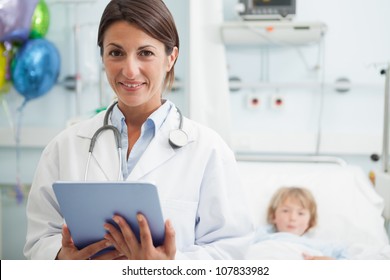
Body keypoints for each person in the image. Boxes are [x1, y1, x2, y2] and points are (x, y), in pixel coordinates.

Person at [24, 0, 253, 260]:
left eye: (145, 53)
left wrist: (171, 267)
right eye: (116, 53)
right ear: (102, 58)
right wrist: (59, 259)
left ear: (171, 58)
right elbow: (39, 239)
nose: (130, 70)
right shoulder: (64, 146)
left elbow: (231, 251)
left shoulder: (208, 149)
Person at [248, 186, 348, 260]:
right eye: (285, 211)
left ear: (310, 221)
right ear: (273, 216)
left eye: (300, 213)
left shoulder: (320, 246)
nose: (292, 218)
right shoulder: (258, 234)